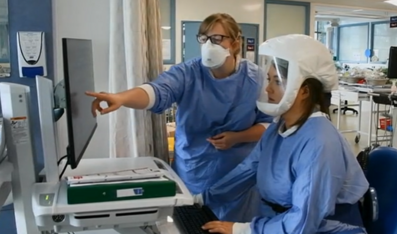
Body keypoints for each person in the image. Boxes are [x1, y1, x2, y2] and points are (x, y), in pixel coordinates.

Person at [86, 13, 272, 222]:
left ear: (236, 43)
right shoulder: (188, 73)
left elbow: (268, 124)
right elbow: (158, 91)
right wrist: (121, 97)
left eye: (217, 39)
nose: (209, 45)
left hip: (237, 181)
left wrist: (238, 137)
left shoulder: (256, 78)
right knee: (191, 224)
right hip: (193, 173)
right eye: (204, 38)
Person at [198, 34, 369, 234]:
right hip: (279, 224)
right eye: (269, 79)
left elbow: (305, 221)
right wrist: (202, 199)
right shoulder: (278, 127)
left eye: (277, 81)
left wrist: (243, 230)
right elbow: (248, 169)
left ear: (304, 90)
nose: (268, 88)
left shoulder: (320, 142)